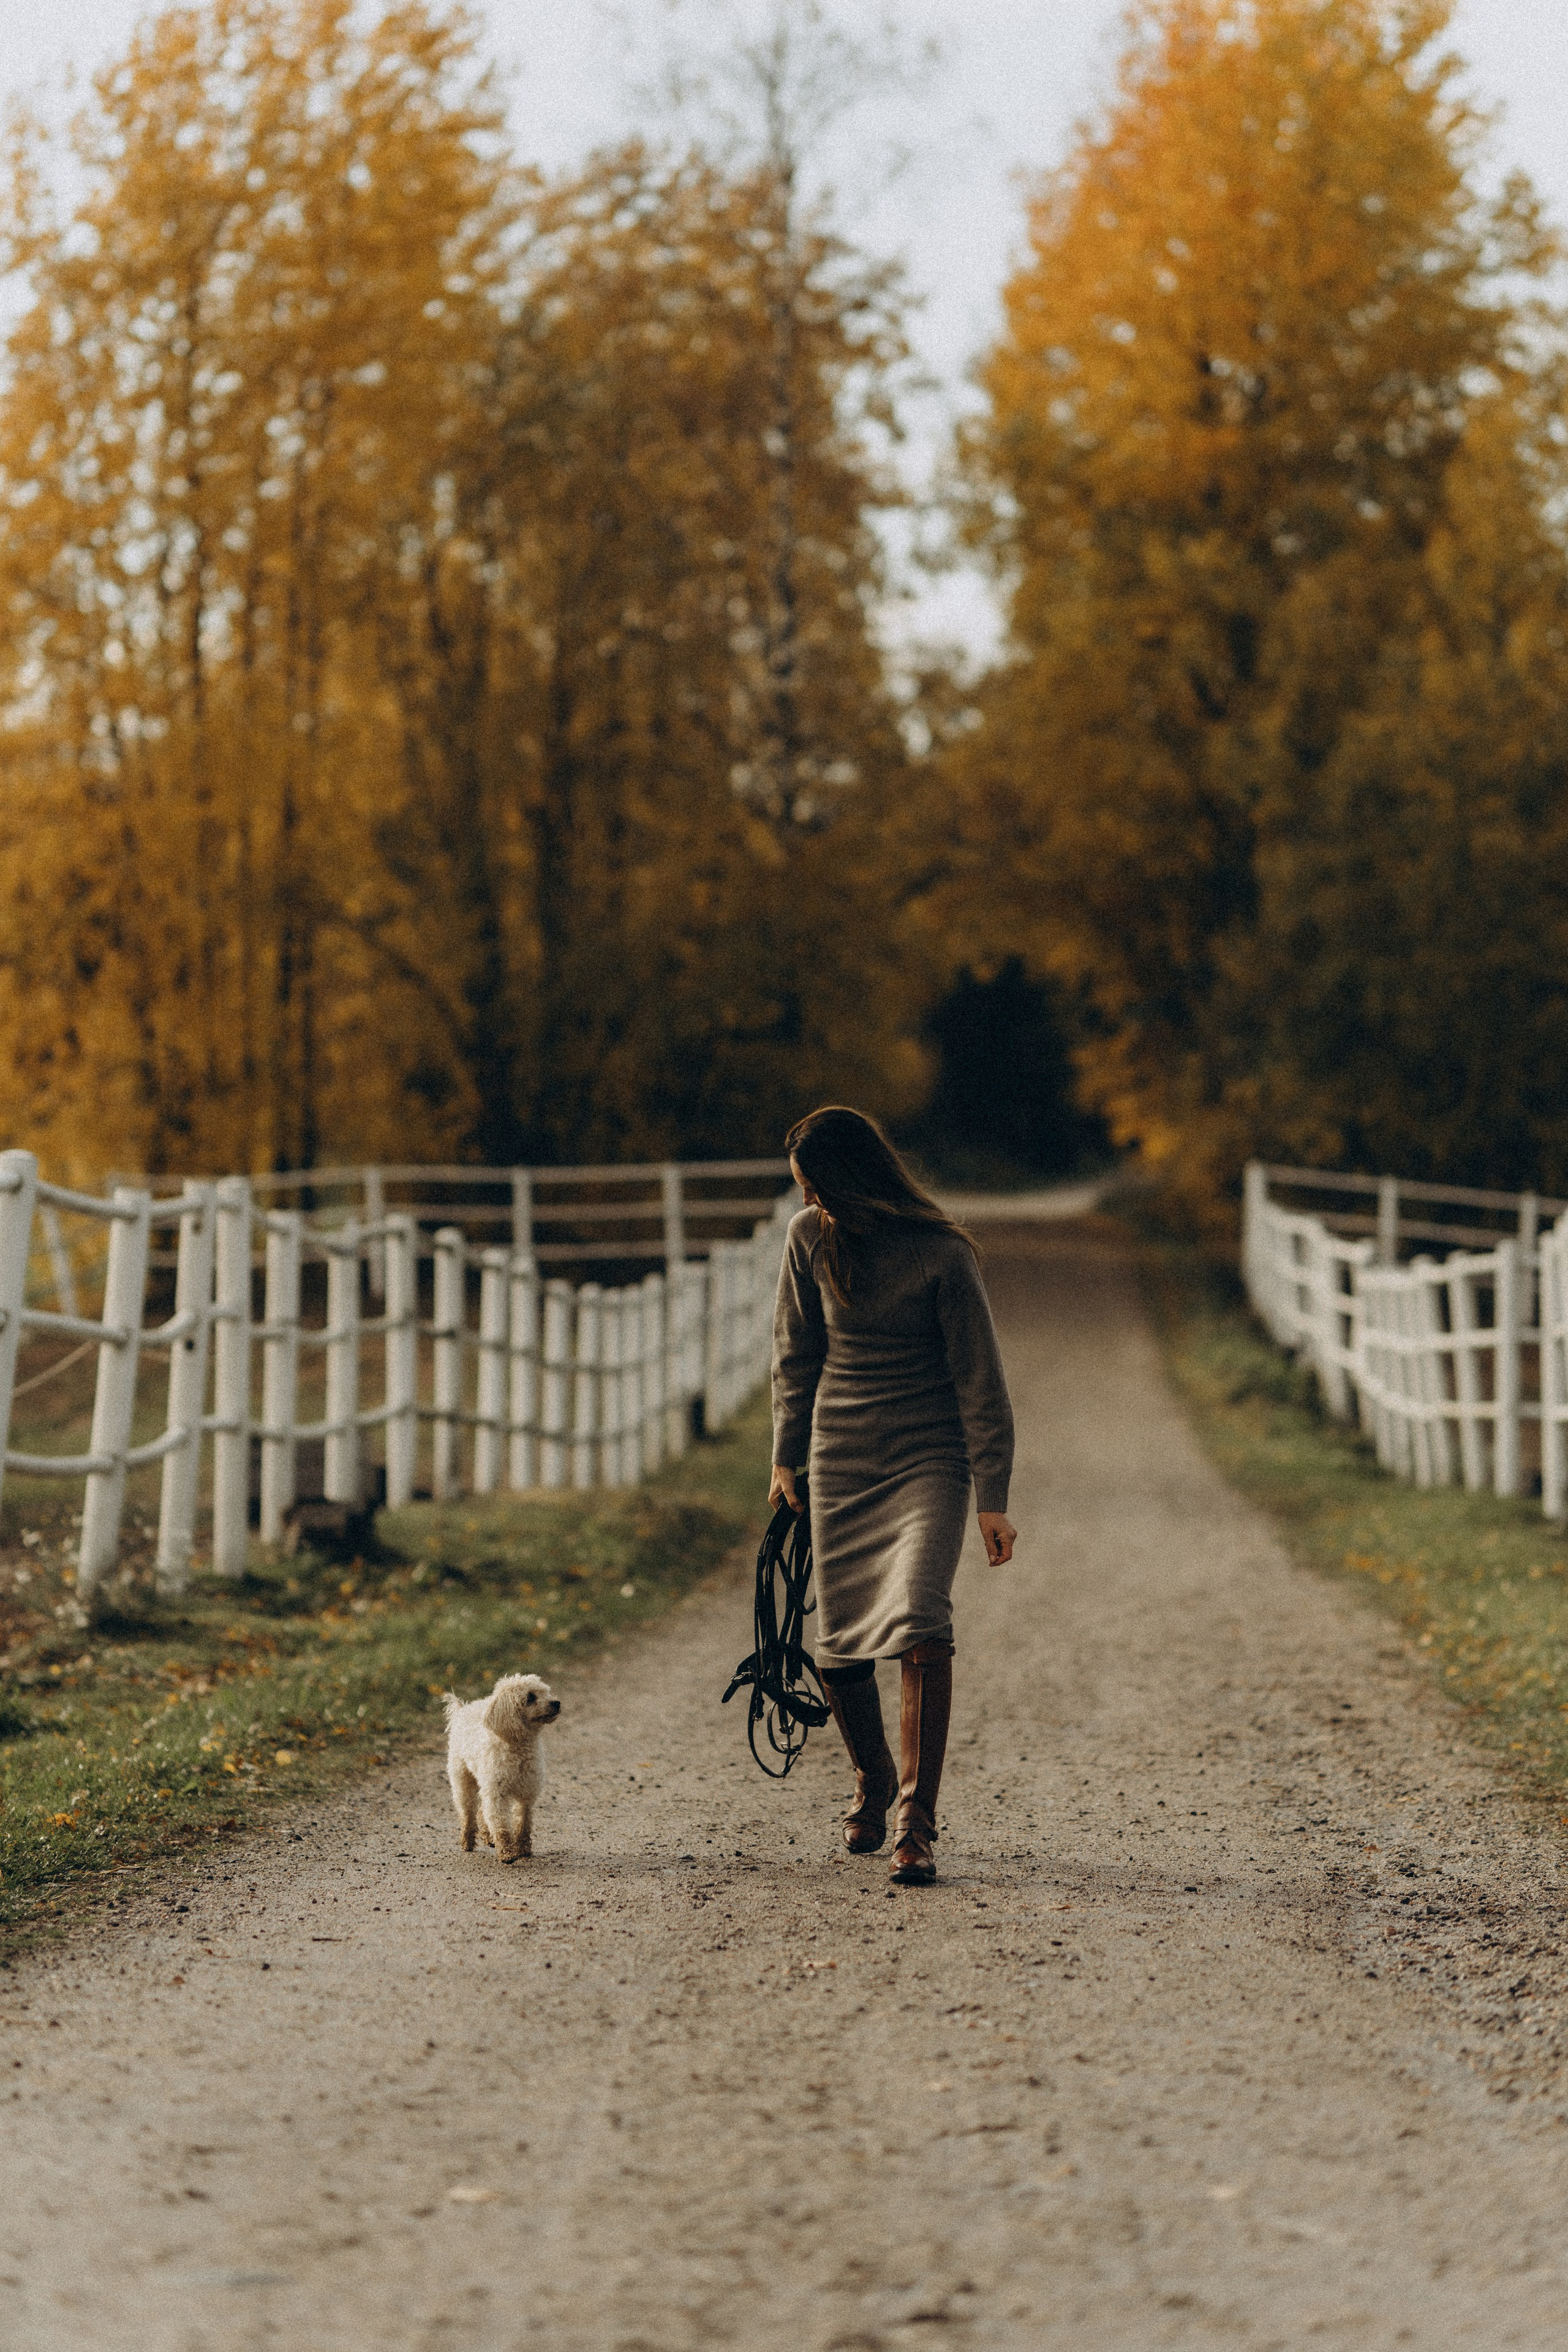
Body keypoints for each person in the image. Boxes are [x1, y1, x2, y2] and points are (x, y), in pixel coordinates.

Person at [770, 1105, 1016, 1885]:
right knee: (838, 1650)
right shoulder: (810, 1240)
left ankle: (914, 1819)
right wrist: (785, 1457)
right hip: (840, 1458)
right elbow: (795, 1354)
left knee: (919, 1619)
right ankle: (873, 1779)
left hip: (928, 1462)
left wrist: (992, 1495)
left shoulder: (942, 1253)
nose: (811, 1202)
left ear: (851, 1177)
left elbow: (982, 1379)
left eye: (816, 1187)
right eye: (803, 1191)